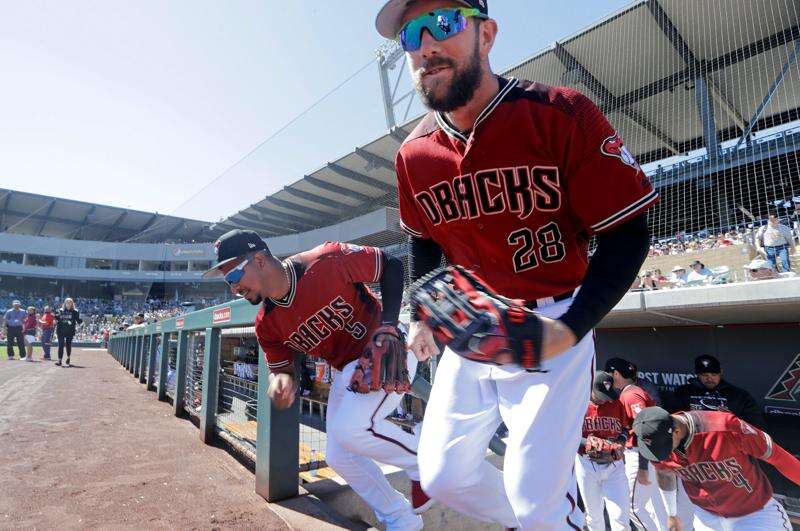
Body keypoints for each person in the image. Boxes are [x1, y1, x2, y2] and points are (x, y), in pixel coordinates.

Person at [377, 0, 657, 526]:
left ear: (488, 33)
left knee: (536, 498)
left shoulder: (560, 112)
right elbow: (423, 244)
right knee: (442, 476)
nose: (426, 46)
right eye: (411, 35)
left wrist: (571, 328)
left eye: (444, 23)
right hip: (468, 320)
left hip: (550, 317)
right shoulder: (413, 154)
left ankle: (544, 517)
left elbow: (628, 234)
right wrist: (422, 312)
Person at [203, 230, 430, 530]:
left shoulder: (325, 260)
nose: (233, 289)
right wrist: (281, 380)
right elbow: (281, 369)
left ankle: (426, 463)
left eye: (232, 276)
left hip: (386, 348)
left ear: (258, 260)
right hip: (347, 370)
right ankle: (400, 517)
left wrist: (388, 326)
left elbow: (391, 264)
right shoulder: (267, 325)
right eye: (227, 282)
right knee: (338, 455)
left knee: (349, 428)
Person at [635, 407, 800, 530]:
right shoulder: (657, 442)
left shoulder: (724, 427)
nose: (662, 455)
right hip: (706, 517)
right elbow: (664, 473)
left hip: (755, 514)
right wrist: (672, 513)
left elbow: (777, 456)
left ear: (676, 431)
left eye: (663, 448)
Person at [606, 357, 667, 530]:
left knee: (633, 507)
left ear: (616, 374)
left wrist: (642, 465)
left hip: (641, 455)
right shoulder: (632, 391)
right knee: (652, 506)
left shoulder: (631, 395)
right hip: (648, 455)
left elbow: (646, 430)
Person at [576, 371, 630, 531]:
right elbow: (564, 435)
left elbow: (625, 429)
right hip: (586, 465)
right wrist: (586, 441)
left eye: (606, 395)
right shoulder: (576, 404)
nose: (603, 399)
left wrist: (621, 442)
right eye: (600, 394)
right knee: (594, 516)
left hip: (614, 466)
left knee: (621, 518)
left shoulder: (615, 403)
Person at [673, 355, 764, 429]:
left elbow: (755, 425)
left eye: (714, 374)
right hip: (693, 440)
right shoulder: (682, 392)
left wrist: (733, 418)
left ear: (721, 372)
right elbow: (673, 420)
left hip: (727, 441)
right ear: (697, 374)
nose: (709, 378)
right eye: (704, 375)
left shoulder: (738, 395)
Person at [54, 297, 82, 367]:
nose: (68, 303)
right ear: (65, 303)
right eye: (67, 302)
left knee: (68, 345)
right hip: (60, 330)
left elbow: (78, 320)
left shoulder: (75, 311)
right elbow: (56, 319)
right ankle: (59, 360)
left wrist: (82, 323)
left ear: (72, 303)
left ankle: (68, 358)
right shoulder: (60, 310)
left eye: (70, 302)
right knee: (60, 345)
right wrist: (54, 319)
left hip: (70, 331)